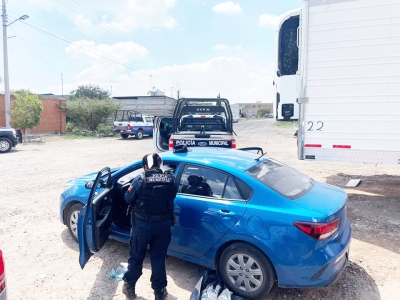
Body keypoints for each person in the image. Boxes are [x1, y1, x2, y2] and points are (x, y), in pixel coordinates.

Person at [122, 153, 178, 300]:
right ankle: (159, 293)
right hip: (164, 227)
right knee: (158, 259)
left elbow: (128, 199)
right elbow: (172, 195)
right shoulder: (171, 179)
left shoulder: (140, 179)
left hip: (142, 226)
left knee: (136, 257)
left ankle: (129, 287)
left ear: (145, 166)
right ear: (159, 165)